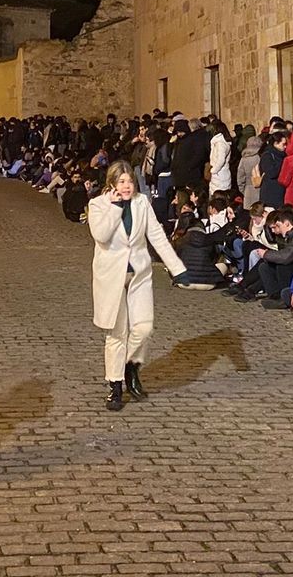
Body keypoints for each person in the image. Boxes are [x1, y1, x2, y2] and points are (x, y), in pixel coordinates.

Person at [89, 160, 190, 412]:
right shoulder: (98, 204)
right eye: (122, 181)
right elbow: (100, 235)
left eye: (130, 182)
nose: (127, 186)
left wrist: (176, 268)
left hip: (139, 274)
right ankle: (115, 386)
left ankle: (130, 366)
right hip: (111, 277)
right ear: (112, 183)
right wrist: (115, 208)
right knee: (117, 333)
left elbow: (156, 235)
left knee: (144, 328)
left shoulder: (142, 203)